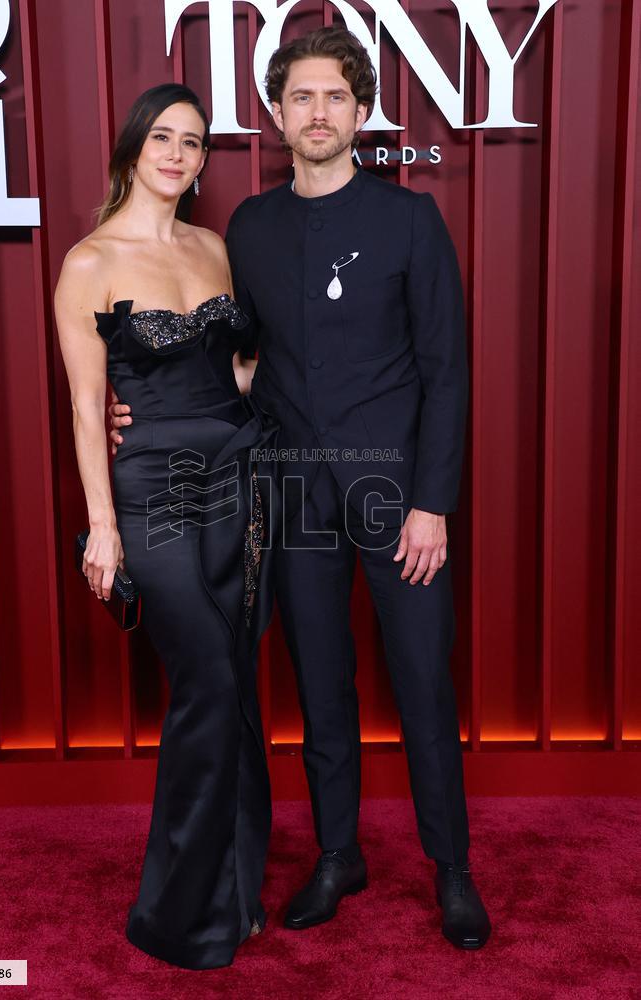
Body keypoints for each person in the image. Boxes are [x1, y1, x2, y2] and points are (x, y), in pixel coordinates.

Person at [110, 28, 491, 950]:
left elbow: (447, 372)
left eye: (335, 97)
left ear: (361, 113)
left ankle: (452, 870)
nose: (318, 113)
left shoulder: (411, 220)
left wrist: (433, 503)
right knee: (320, 683)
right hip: (289, 492)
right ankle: (337, 855)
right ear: (278, 115)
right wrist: (141, 407)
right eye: (302, 98)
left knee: (422, 683)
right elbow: (236, 359)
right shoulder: (250, 228)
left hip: (398, 495)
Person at [54, 83, 279, 970]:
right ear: (132, 150)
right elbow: (85, 406)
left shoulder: (213, 248)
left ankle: (237, 890)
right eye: (162, 138)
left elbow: (237, 370)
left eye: (192, 142)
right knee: (208, 680)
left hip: (239, 477)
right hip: (151, 487)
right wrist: (101, 526)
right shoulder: (88, 262)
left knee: (238, 683)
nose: (178, 154)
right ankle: (178, 914)